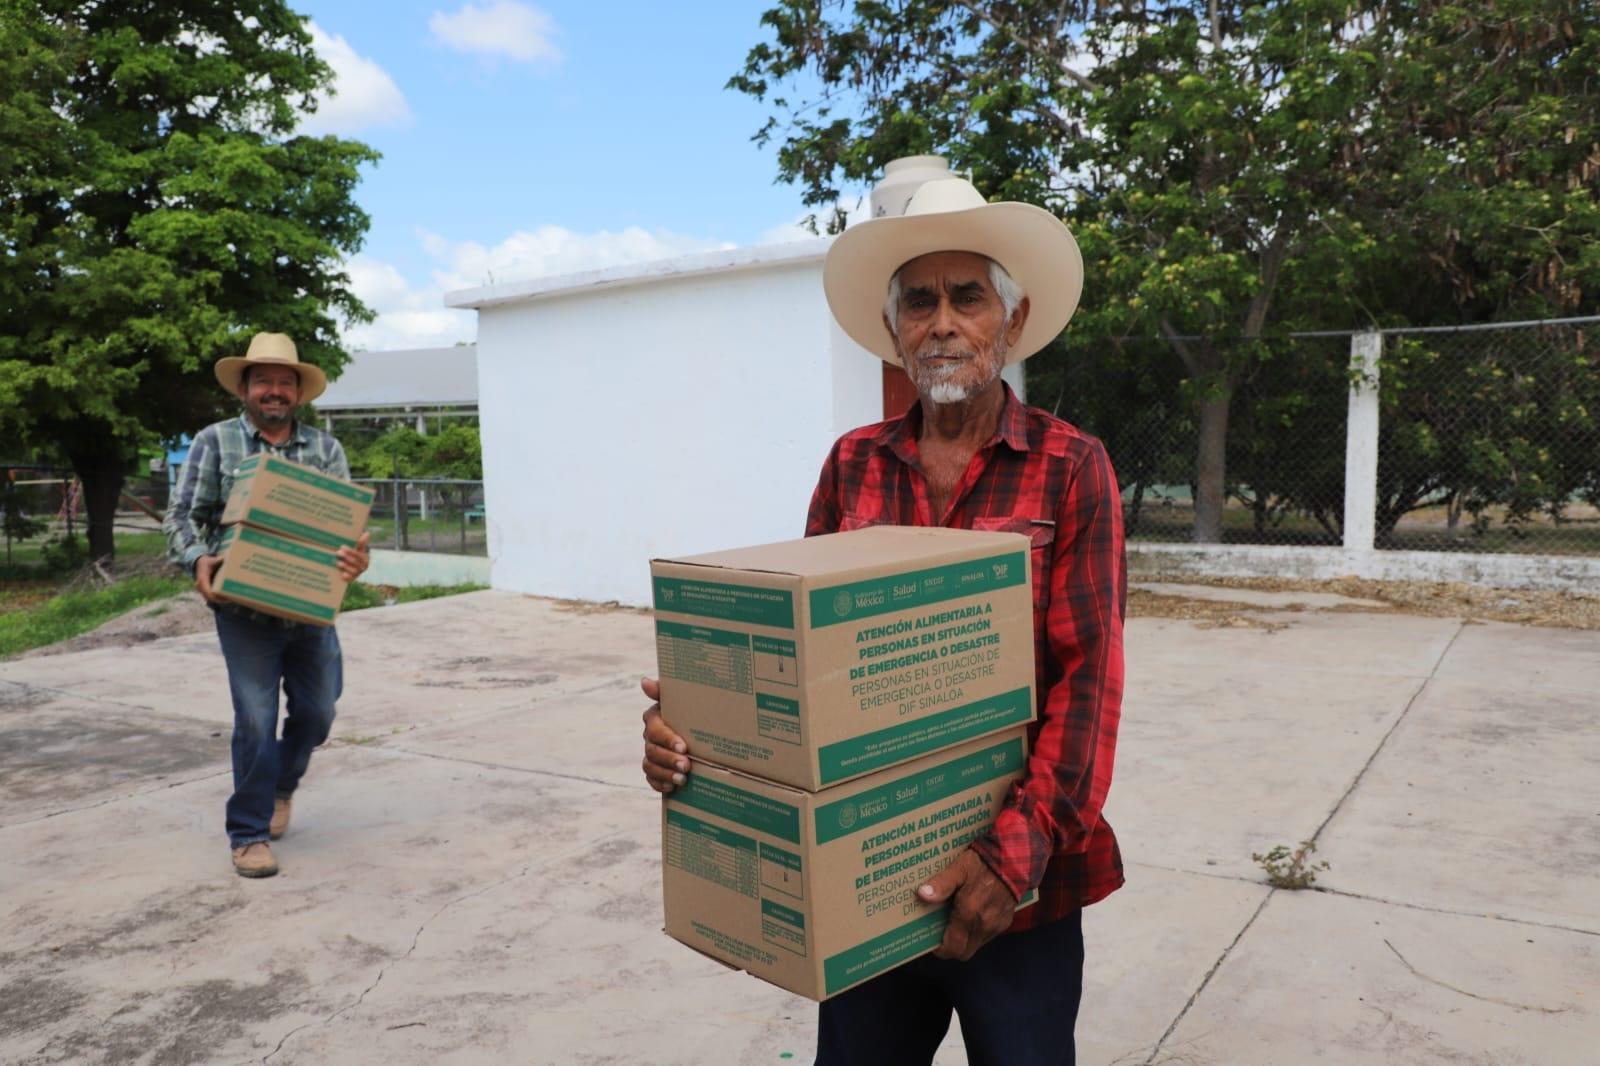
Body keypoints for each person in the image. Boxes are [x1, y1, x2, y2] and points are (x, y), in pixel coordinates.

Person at [641, 176, 1125, 1065]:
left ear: (1009, 324)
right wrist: (698, 729)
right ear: (895, 330)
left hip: (1017, 894)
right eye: (919, 300)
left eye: (966, 296)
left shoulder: (1070, 466)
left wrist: (1007, 861)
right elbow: (801, 653)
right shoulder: (852, 463)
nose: (942, 321)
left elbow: (1088, 685)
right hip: (868, 880)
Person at [164, 332, 370, 879]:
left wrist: (356, 560)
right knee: (255, 720)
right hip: (245, 611)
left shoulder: (325, 450)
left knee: (319, 713)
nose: (274, 391)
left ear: (298, 393)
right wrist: (198, 560)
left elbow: (346, 532)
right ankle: (249, 832)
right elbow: (182, 516)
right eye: (264, 381)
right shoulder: (215, 442)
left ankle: (281, 784)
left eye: (285, 382)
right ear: (246, 389)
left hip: (309, 609)